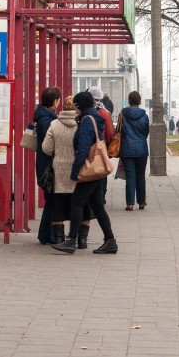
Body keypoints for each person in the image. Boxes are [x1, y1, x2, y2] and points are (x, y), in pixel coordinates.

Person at [51, 91, 118, 255]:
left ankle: (71, 240)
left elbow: (83, 148)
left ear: (79, 105)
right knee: (97, 206)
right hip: (96, 169)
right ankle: (110, 241)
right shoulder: (92, 117)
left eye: (76, 105)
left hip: (89, 169)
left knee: (76, 202)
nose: (74, 107)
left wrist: (75, 171)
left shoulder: (87, 120)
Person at [42, 95, 95, 248]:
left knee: (58, 205)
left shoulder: (54, 124)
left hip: (60, 170)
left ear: (63, 107)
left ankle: (59, 239)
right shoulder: (83, 124)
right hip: (81, 170)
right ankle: (82, 240)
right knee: (84, 205)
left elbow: (46, 148)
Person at [34, 86, 62, 244]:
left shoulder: (43, 116)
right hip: (48, 165)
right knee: (52, 199)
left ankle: (46, 234)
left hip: (44, 163)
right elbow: (49, 145)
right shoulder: (48, 120)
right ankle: (47, 235)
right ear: (54, 101)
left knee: (51, 199)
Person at [118, 91, 150, 211]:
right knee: (140, 176)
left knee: (130, 176)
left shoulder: (123, 114)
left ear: (129, 101)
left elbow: (119, 130)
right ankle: (141, 202)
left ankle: (130, 204)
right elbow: (146, 131)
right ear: (140, 101)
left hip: (126, 149)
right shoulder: (144, 116)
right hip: (141, 149)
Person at [88, 86, 115, 204]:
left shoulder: (85, 111)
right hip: (101, 145)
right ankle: (101, 196)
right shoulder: (104, 113)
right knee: (102, 171)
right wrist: (108, 145)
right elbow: (109, 132)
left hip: (88, 146)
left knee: (89, 171)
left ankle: (90, 195)